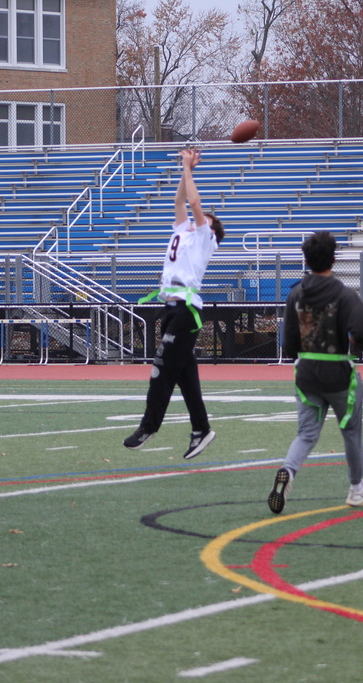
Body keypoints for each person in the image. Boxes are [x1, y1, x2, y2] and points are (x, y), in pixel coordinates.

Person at [123, 147, 225, 460]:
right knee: (185, 376)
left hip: (186, 309)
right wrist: (185, 171)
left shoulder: (205, 238)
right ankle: (201, 429)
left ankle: (149, 426)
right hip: (170, 307)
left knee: (161, 370)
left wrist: (187, 167)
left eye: (202, 219)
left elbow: (194, 203)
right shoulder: (184, 230)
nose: (196, 220)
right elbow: (180, 201)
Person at [267, 231, 363, 514]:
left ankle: (288, 471)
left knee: (305, 434)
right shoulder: (344, 294)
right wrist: (357, 343)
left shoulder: (296, 293)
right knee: (351, 431)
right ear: (334, 258)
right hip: (338, 372)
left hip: (306, 373)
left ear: (306, 260)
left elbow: (288, 341)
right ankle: (356, 488)